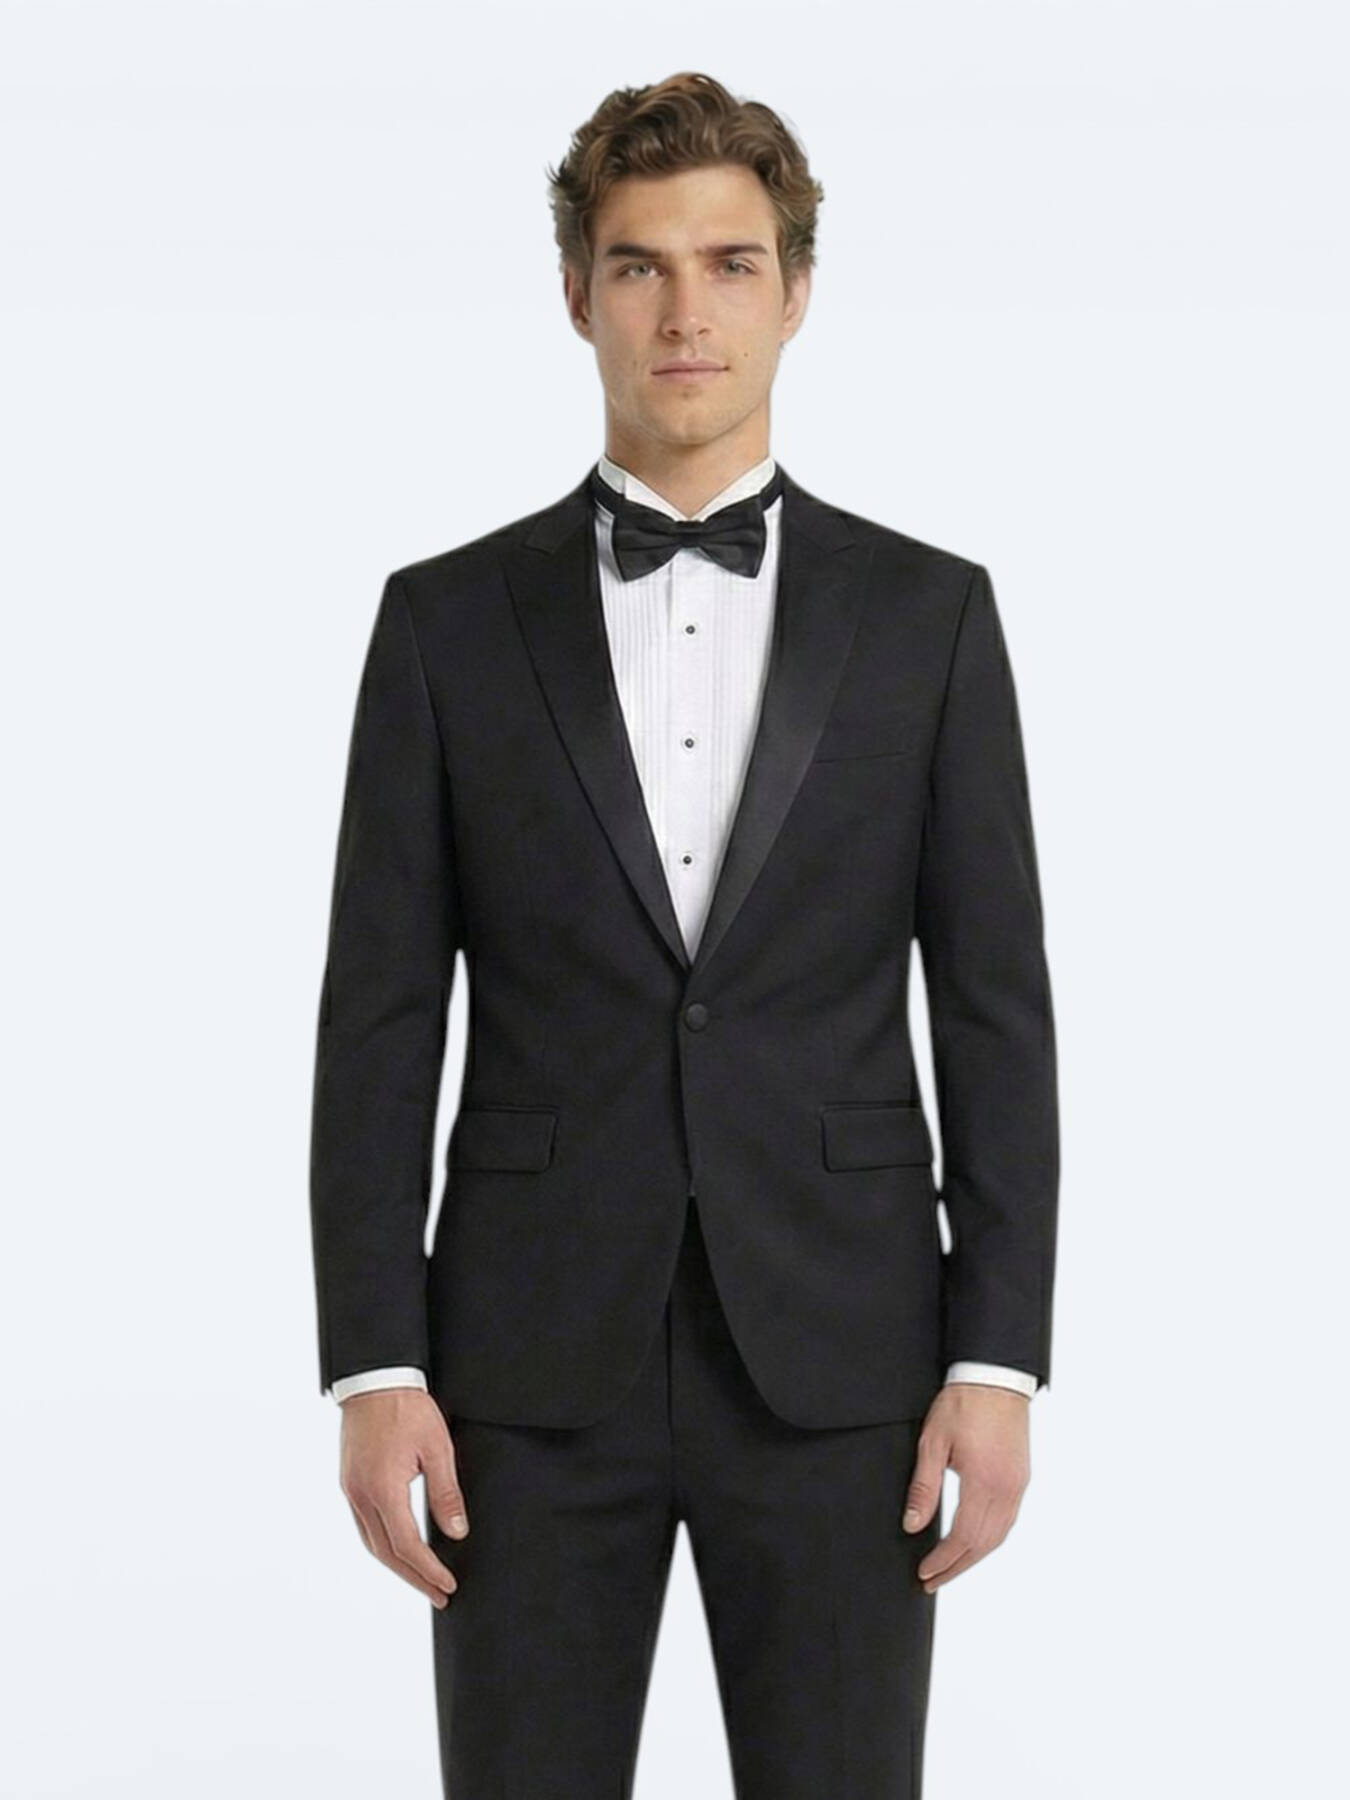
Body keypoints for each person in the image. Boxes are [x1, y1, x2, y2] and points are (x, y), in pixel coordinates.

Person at [309, 68, 1059, 1798]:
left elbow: (995, 1008)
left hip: (850, 1358)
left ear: (796, 293)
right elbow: (378, 1018)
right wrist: (374, 1361)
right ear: (575, 293)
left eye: (729, 264)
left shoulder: (930, 617)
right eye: (639, 265)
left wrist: (996, 1355)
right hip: (518, 1367)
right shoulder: (442, 624)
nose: (683, 313)